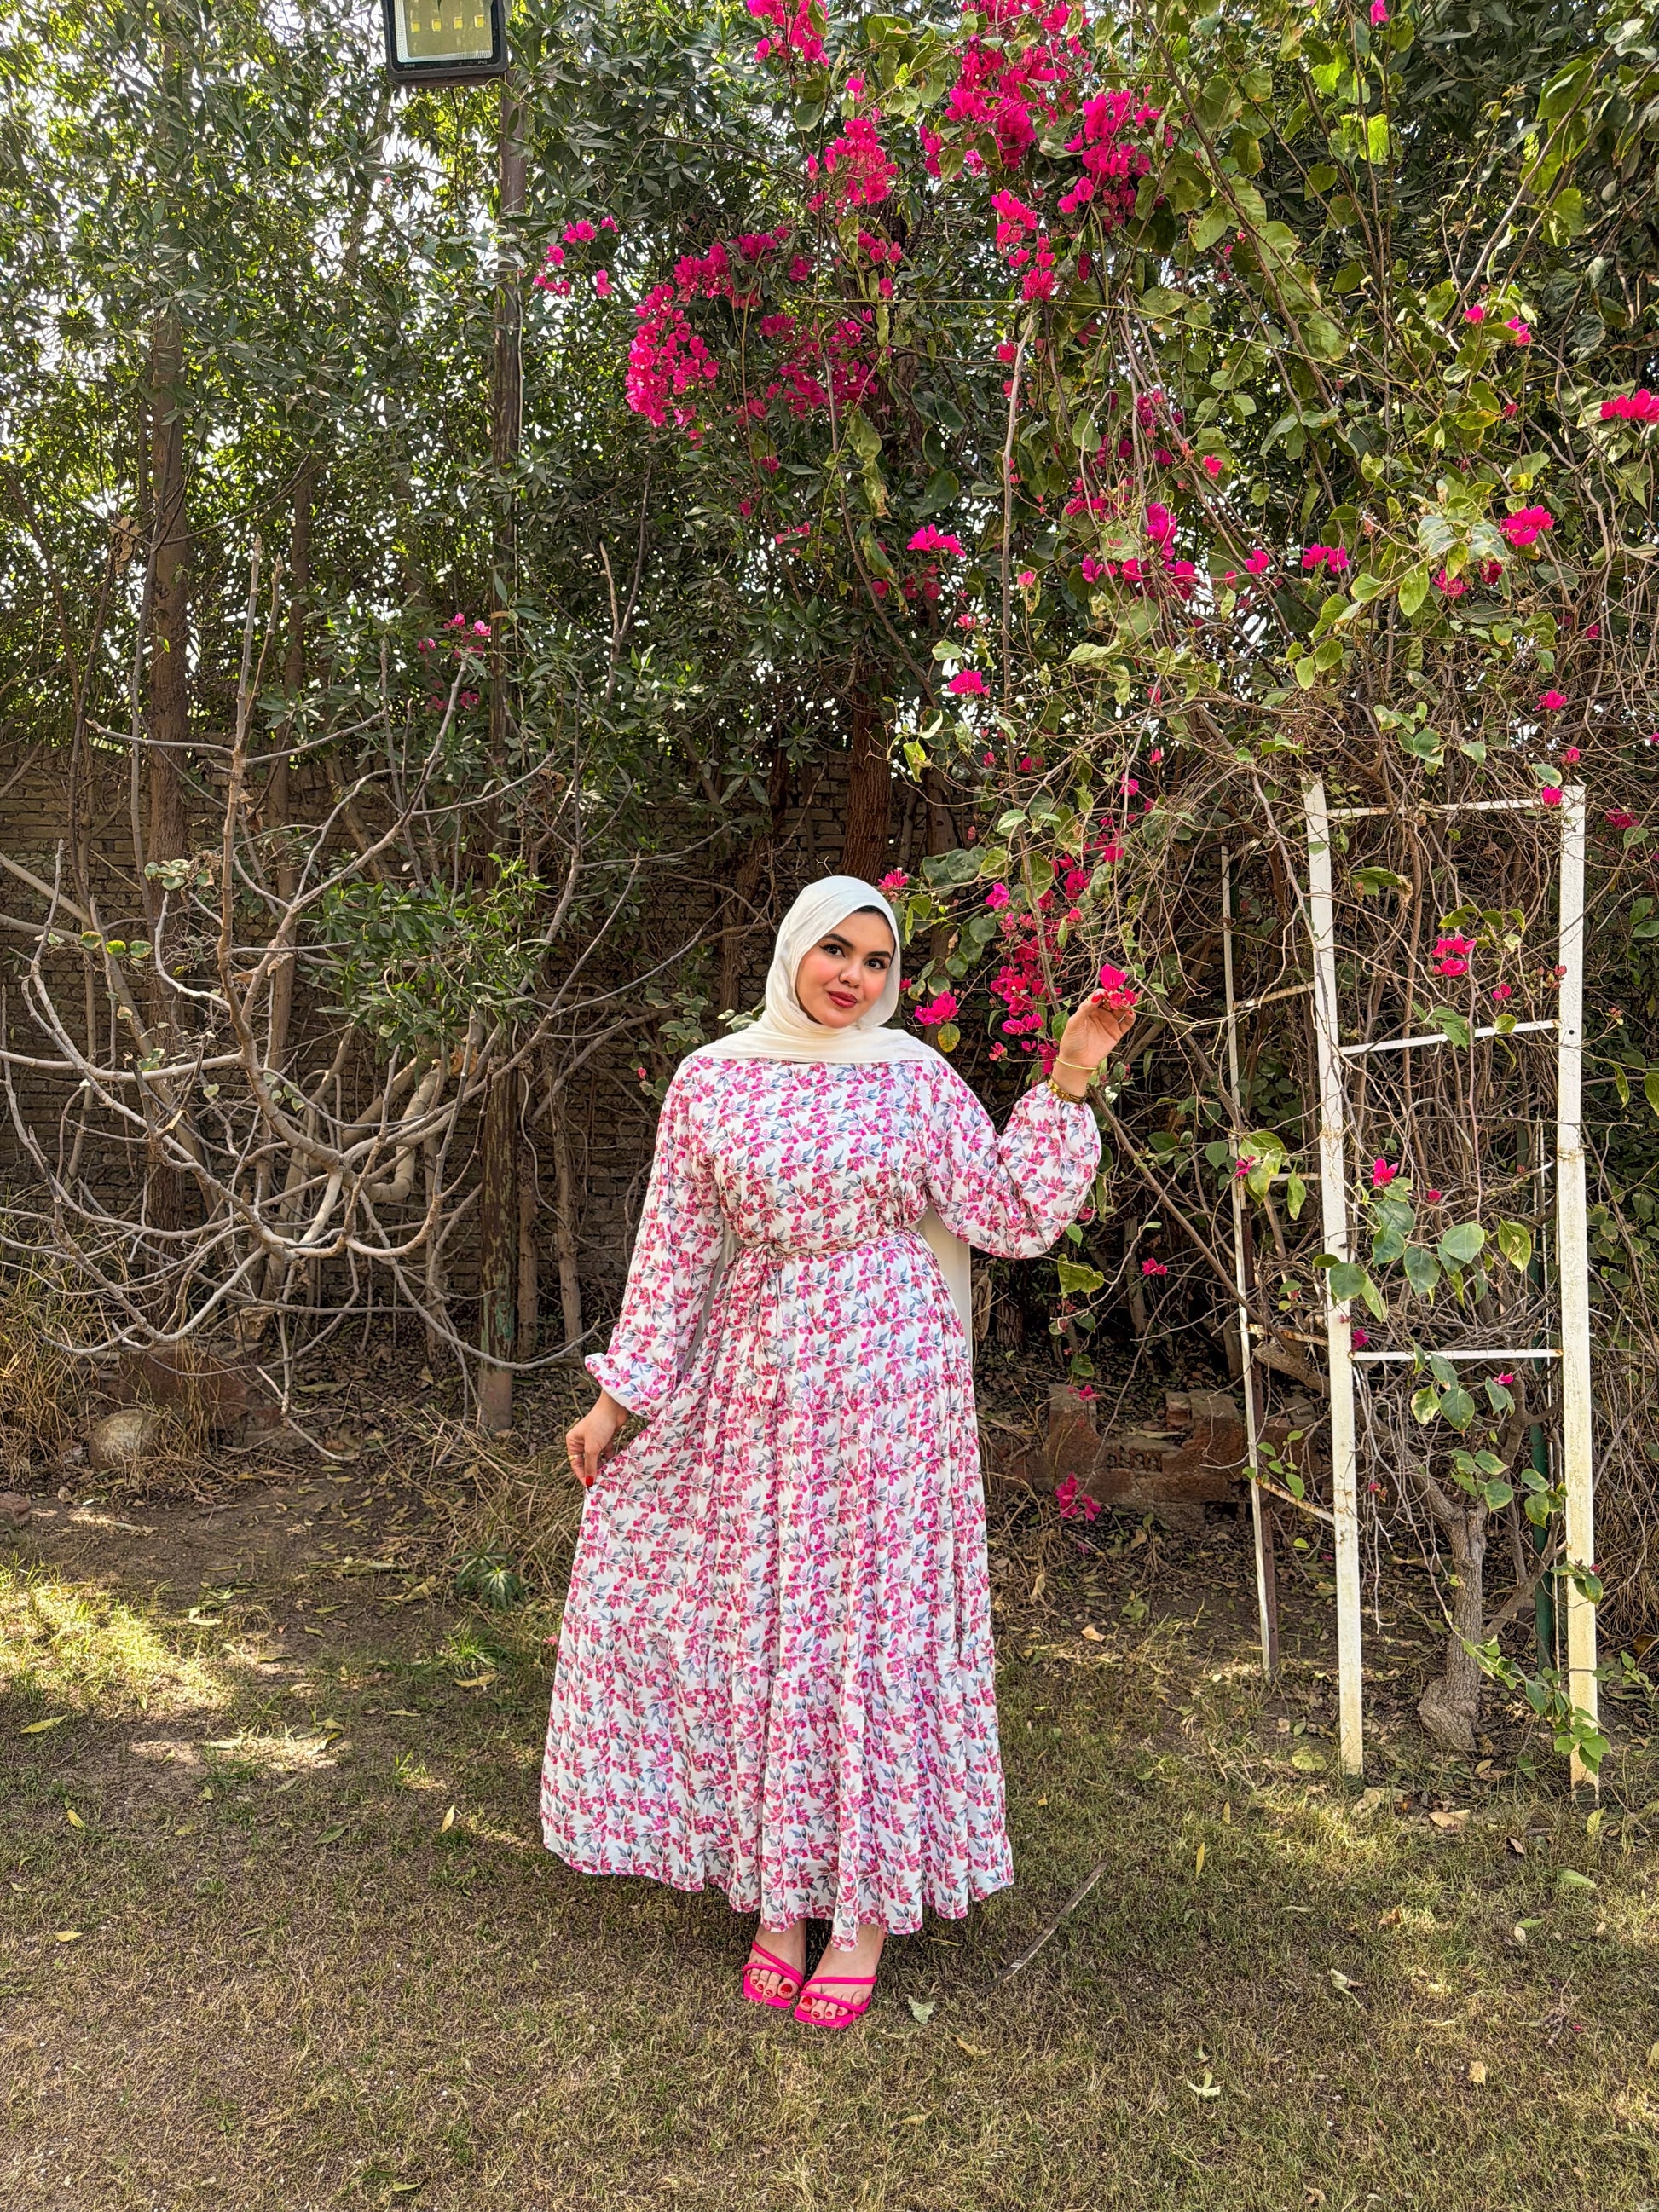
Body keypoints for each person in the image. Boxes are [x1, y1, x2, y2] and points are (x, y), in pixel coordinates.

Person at [540, 874, 1134, 2027]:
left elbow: (1008, 1215)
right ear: (793, 951)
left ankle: (860, 1906)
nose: (853, 976)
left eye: (875, 959)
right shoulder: (712, 1081)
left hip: (894, 1399)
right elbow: (675, 1250)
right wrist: (617, 1403)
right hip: (758, 1390)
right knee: (771, 1626)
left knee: (868, 1632)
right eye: (834, 950)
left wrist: (1068, 1076)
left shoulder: (912, 1079)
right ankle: (779, 1895)